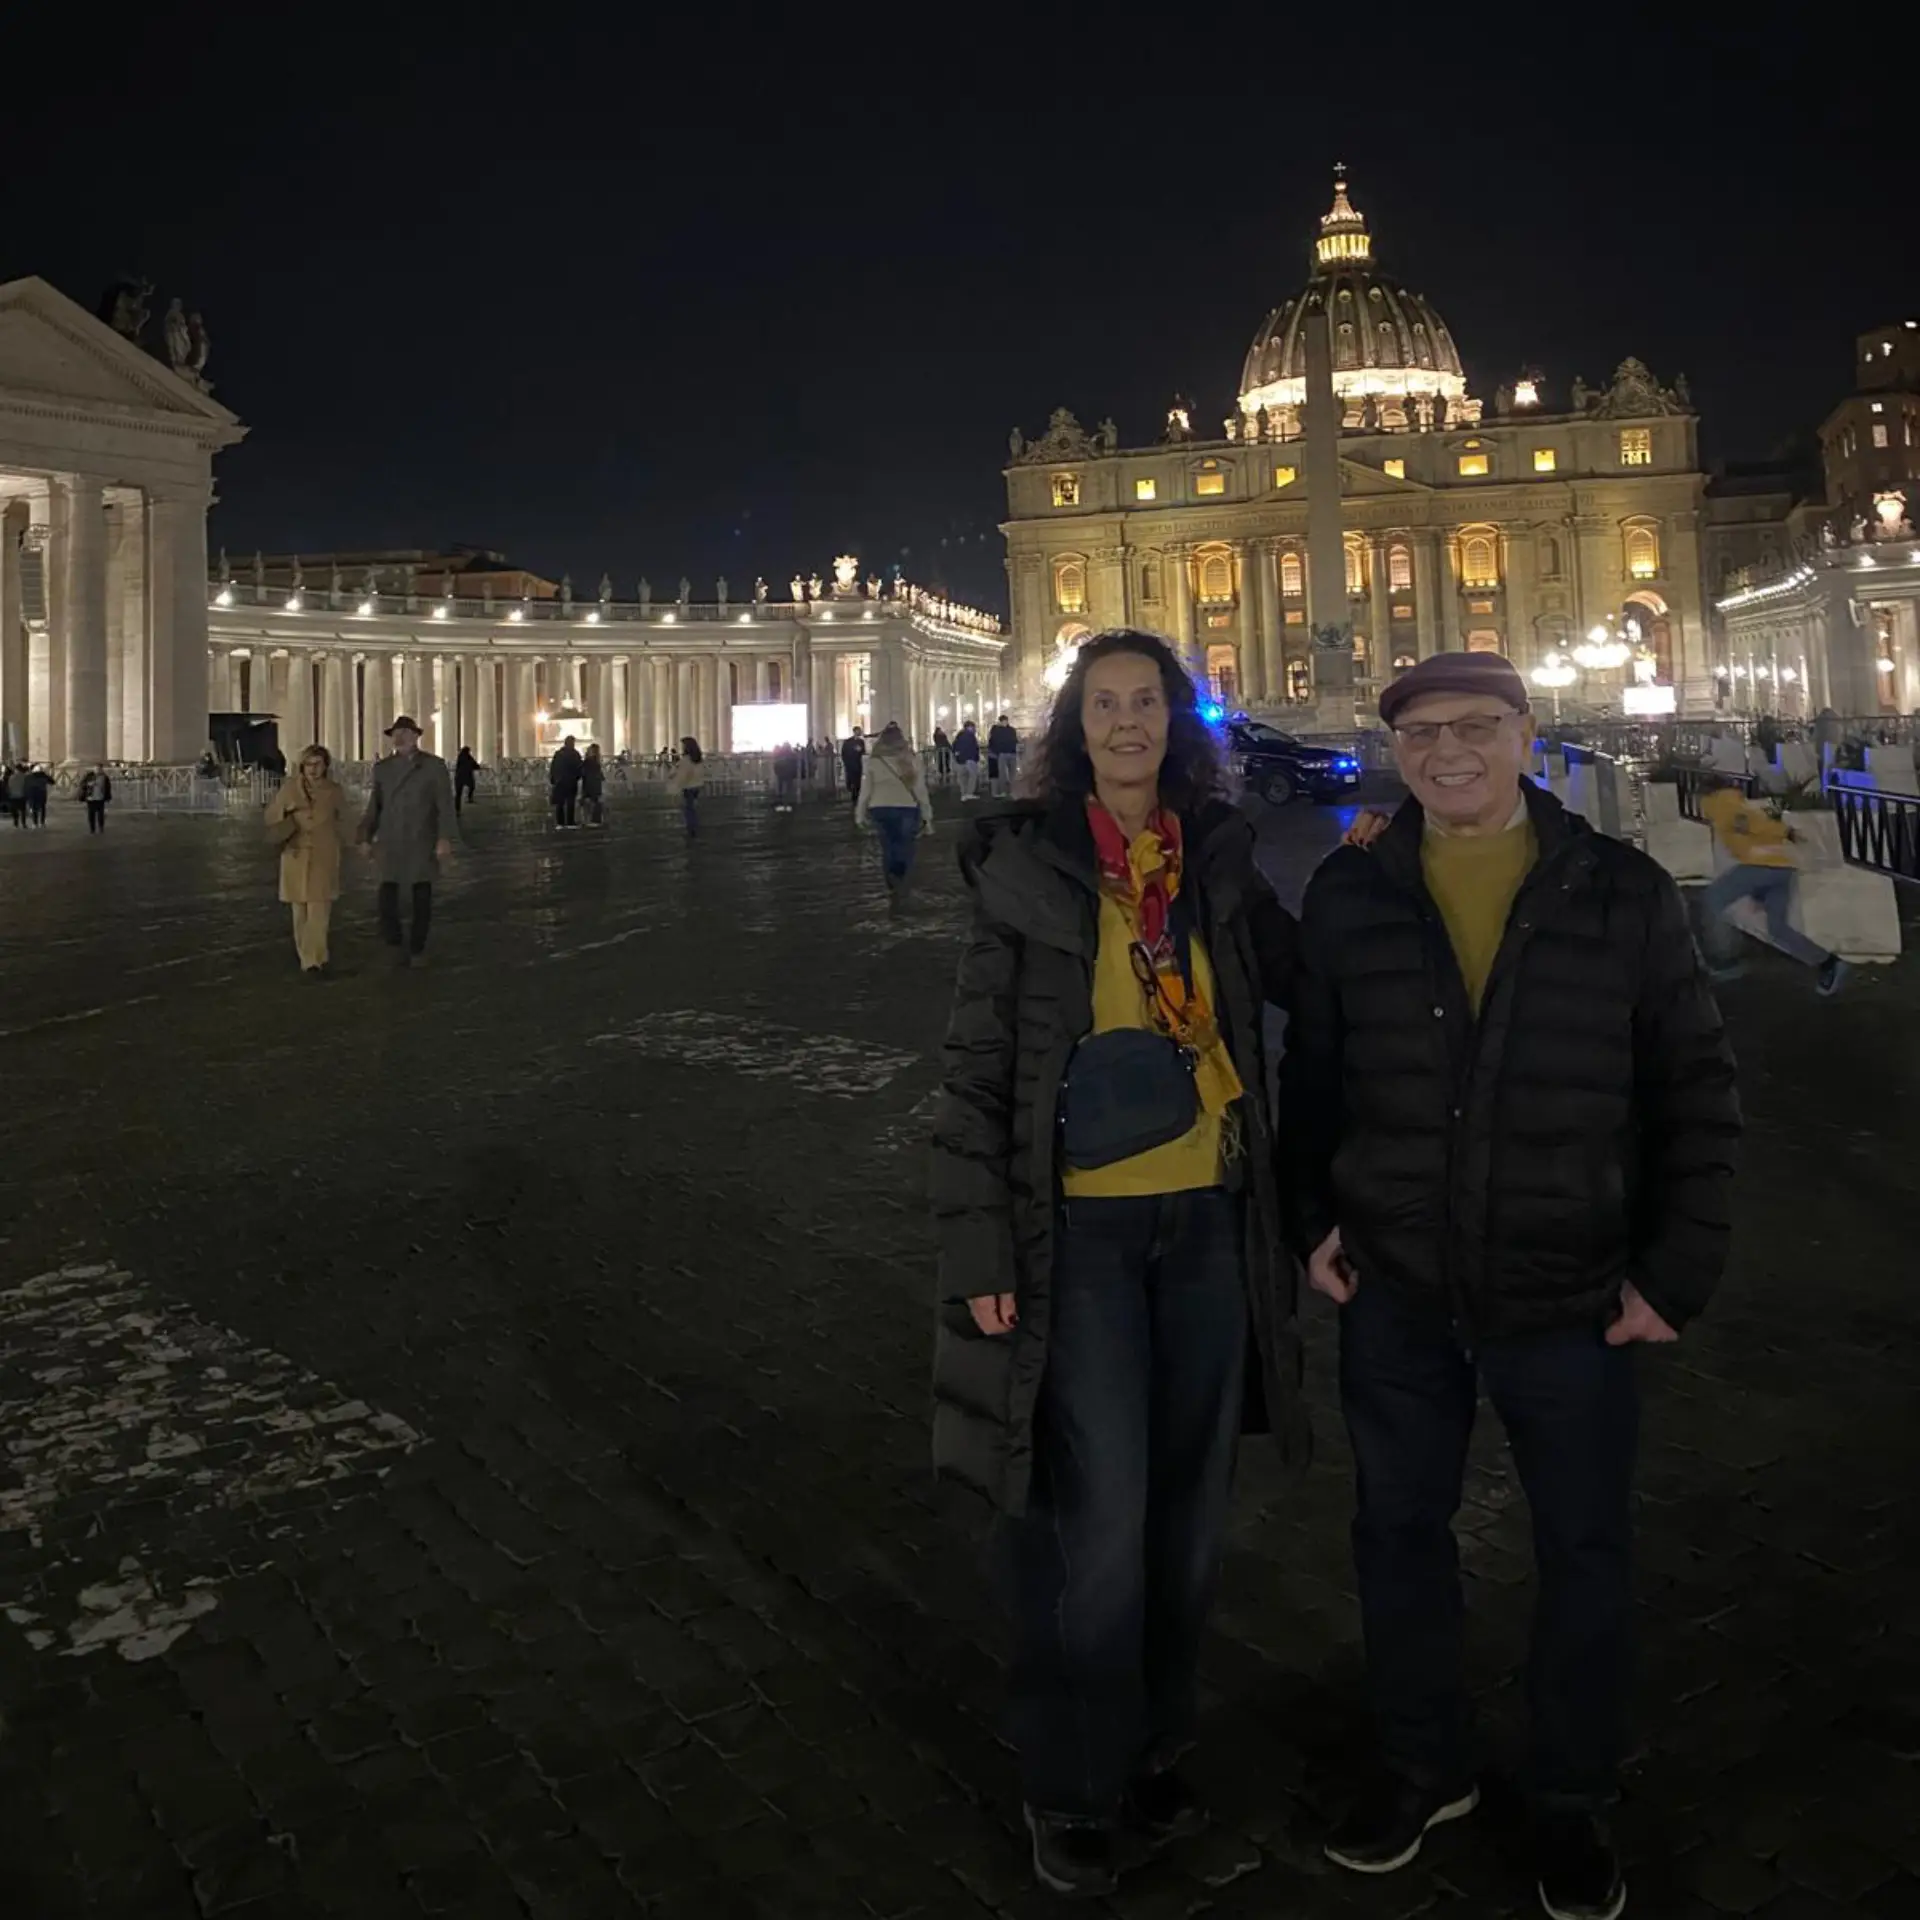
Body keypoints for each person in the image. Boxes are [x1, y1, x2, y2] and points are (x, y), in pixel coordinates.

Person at [1280, 651, 1741, 1920]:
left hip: (1572, 1285)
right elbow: (1311, 1074)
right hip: (1398, 1282)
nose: (1448, 752)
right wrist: (1311, 1218)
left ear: (1526, 734)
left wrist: (1675, 1272)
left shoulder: (1619, 889)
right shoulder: (1351, 890)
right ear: (1395, 750)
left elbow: (1695, 1087)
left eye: (1476, 726)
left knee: (1583, 1550)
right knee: (1396, 1536)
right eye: (1421, 732)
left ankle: (1571, 1796)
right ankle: (1424, 1763)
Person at [929, 629, 1307, 1899]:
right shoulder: (1030, 871)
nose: (1130, 722)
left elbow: (1306, 980)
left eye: (1148, 701)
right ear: (1075, 728)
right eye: (1106, 704)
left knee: (1189, 1515)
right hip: (1081, 1231)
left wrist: (1391, 867)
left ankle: (1151, 1746)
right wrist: (980, 1240)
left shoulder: (1216, 862)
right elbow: (977, 1068)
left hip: (1210, 1219)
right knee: (1095, 1518)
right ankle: (1071, 1781)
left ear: (1176, 722)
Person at [1698, 781, 1850, 995]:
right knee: (1777, 928)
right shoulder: (1734, 802)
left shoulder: (1722, 804)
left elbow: (1751, 822)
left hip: (1760, 866)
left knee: (1712, 899)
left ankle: (1723, 961)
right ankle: (1828, 962)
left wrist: (1785, 831)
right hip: (1782, 868)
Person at [358, 715, 455, 968]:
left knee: (421, 897)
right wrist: (365, 836)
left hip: (421, 837)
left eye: (405, 733)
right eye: (396, 734)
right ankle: (393, 942)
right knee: (386, 897)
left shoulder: (434, 766)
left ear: (416, 737)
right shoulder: (382, 768)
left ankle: (417, 948)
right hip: (391, 839)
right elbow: (375, 806)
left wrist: (444, 837)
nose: (400, 738)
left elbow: (444, 806)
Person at [265, 745, 348, 976]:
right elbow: (271, 816)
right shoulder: (289, 789)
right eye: (309, 764)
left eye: (318, 764)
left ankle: (315, 959)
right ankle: (307, 957)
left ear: (325, 766)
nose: (313, 769)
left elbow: (344, 819)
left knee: (319, 910)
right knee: (299, 911)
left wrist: (355, 841)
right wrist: (287, 816)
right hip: (296, 854)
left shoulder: (334, 791)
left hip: (323, 854)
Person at [854, 721, 933, 913]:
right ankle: (902, 878)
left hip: (880, 808)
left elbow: (865, 791)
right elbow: (920, 790)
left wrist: (860, 814)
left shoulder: (874, 762)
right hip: (907, 807)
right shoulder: (911, 760)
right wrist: (927, 816)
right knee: (905, 845)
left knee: (888, 845)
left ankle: (892, 881)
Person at [669, 736, 704, 837]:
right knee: (692, 808)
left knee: (688, 809)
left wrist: (676, 785)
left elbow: (683, 775)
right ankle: (694, 827)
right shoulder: (698, 759)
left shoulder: (686, 760)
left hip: (688, 787)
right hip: (697, 785)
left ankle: (691, 829)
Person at [549, 734, 584, 830]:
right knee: (570, 802)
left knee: (560, 803)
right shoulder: (575, 754)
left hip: (560, 781)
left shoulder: (559, 754)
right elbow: (579, 767)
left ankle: (560, 822)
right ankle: (570, 821)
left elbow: (553, 767)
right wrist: (577, 777)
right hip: (571, 781)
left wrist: (553, 779)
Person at [987, 713, 1020, 797]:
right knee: (1008, 774)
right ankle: (1009, 791)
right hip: (1009, 753)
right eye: (1004, 721)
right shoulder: (1011, 730)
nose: (1005, 722)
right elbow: (1015, 740)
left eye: (1005, 721)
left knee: (1006, 774)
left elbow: (992, 740)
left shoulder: (997, 730)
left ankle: (1006, 791)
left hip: (1005, 753)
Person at [952, 718, 982, 800]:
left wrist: (957, 756)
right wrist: (976, 758)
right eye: (973, 727)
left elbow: (954, 747)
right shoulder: (970, 736)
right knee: (972, 776)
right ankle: (969, 793)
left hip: (960, 760)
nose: (975, 729)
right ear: (970, 727)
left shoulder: (959, 736)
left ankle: (963, 794)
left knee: (962, 778)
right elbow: (973, 748)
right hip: (970, 758)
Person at [79, 766, 113, 834]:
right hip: (91, 799)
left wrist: (108, 797)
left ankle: (101, 827)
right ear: (94, 769)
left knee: (101, 815)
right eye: (97, 769)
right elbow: (82, 784)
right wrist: (89, 784)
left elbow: (108, 788)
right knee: (91, 815)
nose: (98, 770)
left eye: (100, 769)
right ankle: (92, 829)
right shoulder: (89, 776)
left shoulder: (105, 777)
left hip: (100, 799)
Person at [581, 741, 607, 826]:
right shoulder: (594, 762)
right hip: (594, 786)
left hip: (589, 785)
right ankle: (595, 820)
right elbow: (598, 774)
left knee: (589, 803)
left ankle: (588, 821)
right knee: (595, 803)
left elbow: (584, 773)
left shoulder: (588, 761)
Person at [772, 741, 802, 812]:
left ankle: (780, 803)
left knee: (781, 788)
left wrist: (777, 771)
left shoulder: (779, 754)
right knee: (789, 788)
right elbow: (795, 762)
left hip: (781, 773)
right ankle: (788, 804)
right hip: (788, 773)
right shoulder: (791, 754)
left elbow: (776, 764)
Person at [841, 726, 866, 804]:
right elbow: (844, 753)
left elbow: (863, 751)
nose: (860, 732)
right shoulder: (848, 742)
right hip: (850, 764)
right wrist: (846, 762)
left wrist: (860, 750)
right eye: (858, 731)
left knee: (857, 781)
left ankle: (856, 796)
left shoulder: (861, 742)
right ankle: (853, 794)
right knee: (851, 780)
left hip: (857, 764)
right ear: (855, 731)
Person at [454, 745, 482, 813]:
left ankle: (457, 809)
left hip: (459, 777)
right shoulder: (468, 757)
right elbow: (474, 765)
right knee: (472, 786)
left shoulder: (460, 757)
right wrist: (477, 767)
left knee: (458, 794)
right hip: (466, 776)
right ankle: (469, 797)